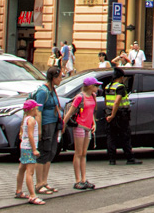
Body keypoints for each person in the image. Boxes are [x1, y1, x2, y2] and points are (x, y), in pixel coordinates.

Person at [61, 76, 99, 191]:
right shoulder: (80, 97)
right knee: (78, 153)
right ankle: (78, 180)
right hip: (79, 126)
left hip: (88, 127)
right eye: (96, 85)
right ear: (90, 86)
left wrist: (93, 123)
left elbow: (91, 111)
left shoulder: (93, 96)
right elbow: (70, 112)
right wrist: (63, 125)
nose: (97, 87)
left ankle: (83, 179)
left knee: (84, 153)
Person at [32, 66, 63, 197]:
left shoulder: (52, 90)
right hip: (45, 124)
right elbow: (38, 111)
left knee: (51, 152)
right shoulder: (43, 92)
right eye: (60, 77)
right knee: (44, 152)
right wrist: (39, 130)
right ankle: (39, 184)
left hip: (54, 123)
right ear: (53, 78)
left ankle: (44, 181)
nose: (61, 79)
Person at [105, 68, 140, 165]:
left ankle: (112, 159)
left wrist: (109, 114)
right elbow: (117, 101)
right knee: (125, 136)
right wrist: (113, 115)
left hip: (109, 114)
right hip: (120, 115)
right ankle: (130, 158)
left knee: (111, 137)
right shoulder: (120, 87)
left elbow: (107, 101)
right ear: (121, 77)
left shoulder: (108, 87)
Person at [17, 99, 45, 205]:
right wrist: (34, 149)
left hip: (24, 147)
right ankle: (32, 195)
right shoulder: (32, 120)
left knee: (22, 168)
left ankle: (19, 190)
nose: (37, 110)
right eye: (36, 108)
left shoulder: (25, 118)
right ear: (32, 109)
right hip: (29, 148)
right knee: (30, 172)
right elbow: (30, 135)